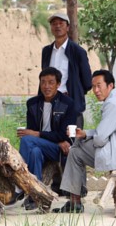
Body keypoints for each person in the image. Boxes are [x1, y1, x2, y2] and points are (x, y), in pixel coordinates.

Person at [57, 69, 116, 214]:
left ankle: (74, 200)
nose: (96, 90)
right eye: (93, 86)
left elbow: (99, 139)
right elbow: (105, 132)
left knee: (75, 151)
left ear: (110, 86)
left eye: (99, 86)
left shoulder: (112, 104)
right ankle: (76, 197)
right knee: (77, 147)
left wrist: (86, 137)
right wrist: (85, 133)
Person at [15, 67, 77, 210]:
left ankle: (20, 184)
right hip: (43, 146)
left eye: (51, 82)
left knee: (26, 140)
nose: (46, 86)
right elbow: (32, 130)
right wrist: (36, 135)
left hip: (59, 149)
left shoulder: (68, 104)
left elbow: (64, 134)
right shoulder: (33, 104)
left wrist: (37, 134)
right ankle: (35, 196)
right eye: (43, 82)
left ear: (58, 84)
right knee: (34, 152)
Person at [41, 12, 92, 128]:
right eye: (54, 24)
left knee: (72, 137)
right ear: (51, 28)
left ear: (68, 27)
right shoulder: (46, 51)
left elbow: (87, 82)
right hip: (49, 103)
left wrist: (75, 92)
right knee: (49, 136)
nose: (57, 26)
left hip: (70, 102)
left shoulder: (78, 51)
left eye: (61, 23)